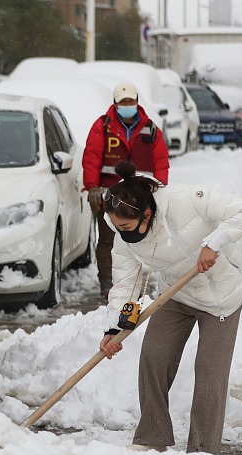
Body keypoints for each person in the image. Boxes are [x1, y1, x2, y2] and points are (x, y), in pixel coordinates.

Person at [99, 161, 242, 455]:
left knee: (210, 374)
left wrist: (214, 243)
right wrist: (114, 329)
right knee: (154, 357)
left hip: (222, 292)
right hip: (178, 290)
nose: (121, 233)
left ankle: (201, 452)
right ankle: (152, 435)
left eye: (126, 227)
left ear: (147, 214)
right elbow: (125, 284)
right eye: (117, 227)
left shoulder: (187, 199)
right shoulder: (123, 235)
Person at [82, 82, 170, 298]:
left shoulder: (150, 129)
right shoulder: (102, 126)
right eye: (123, 102)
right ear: (115, 103)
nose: (127, 105)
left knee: (138, 238)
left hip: (140, 195)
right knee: (107, 239)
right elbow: (91, 158)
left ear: (137, 101)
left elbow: (161, 161)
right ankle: (107, 282)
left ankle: (135, 283)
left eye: (130, 101)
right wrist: (92, 188)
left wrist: (159, 189)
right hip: (109, 194)